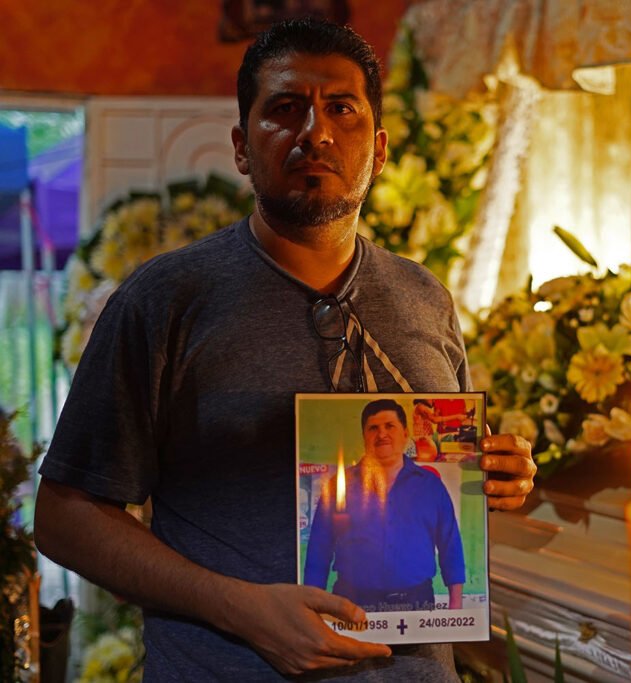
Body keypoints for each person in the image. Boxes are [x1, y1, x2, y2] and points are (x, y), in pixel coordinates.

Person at [34, 17, 536, 682]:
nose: (316, 133)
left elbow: (444, 493)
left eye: (341, 109)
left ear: (379, 149)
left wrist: (495, 471)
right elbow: (64, 518)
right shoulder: (166, 298)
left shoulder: (426, 298)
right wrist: (240, 608)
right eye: (286, 109)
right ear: (243, 147)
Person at [304, 399, 465, 612]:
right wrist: (314, 606)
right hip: (352, 604)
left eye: (390, 426)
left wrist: (456, 603)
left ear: (405, 433)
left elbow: (450, 543)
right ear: (364, 437)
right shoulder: (339, 486)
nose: (382, 434)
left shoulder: (431, 485)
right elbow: (319, 548)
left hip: (417, 604)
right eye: (373, 428)